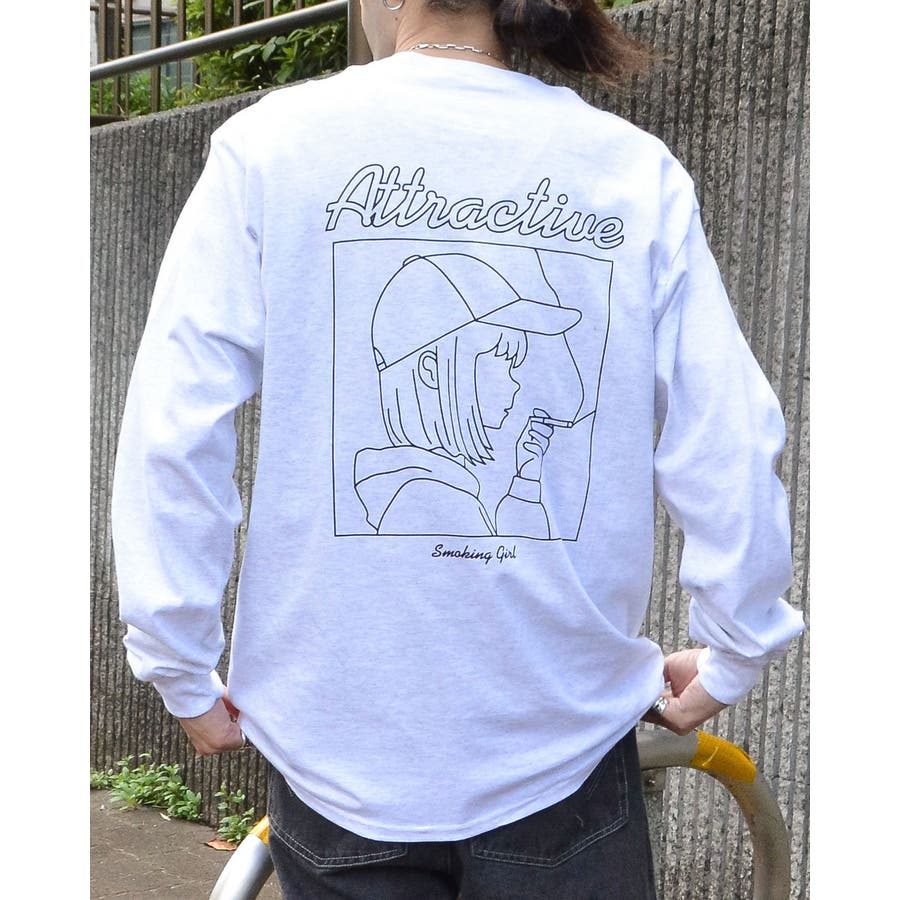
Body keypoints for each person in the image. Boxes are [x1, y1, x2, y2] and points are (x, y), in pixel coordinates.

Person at [110, 0, 806, 897]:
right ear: (428, 370)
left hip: (339, 752)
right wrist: (736, 644)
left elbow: (174, 423)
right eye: (499, 355)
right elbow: (728, 437)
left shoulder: (272, 149)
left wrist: (180, 663)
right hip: (563, 751)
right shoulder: (629, 169)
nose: (522, 387)